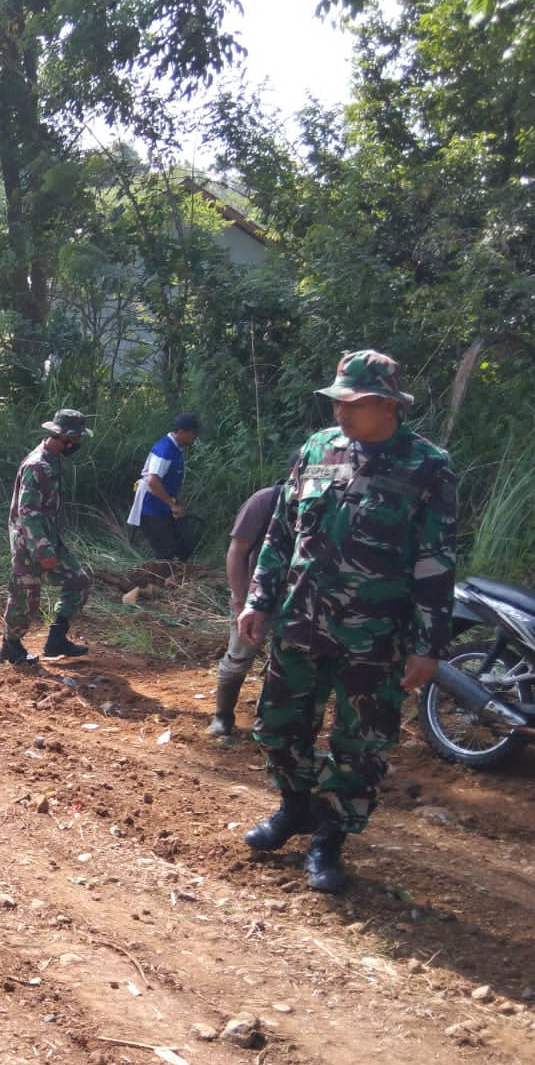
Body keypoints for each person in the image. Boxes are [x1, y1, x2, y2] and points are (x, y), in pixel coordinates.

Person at [237, 351, 456, 894]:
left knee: (359, 747)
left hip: (373, 638)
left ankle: (328, 841)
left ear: (387, 404)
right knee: (277, 728)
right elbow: (282, 532)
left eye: (352, 404)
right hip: (299, 623)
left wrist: (428, 645)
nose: (341, 412)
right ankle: (295, 808)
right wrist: (258, 600)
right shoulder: (319, 448)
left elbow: (436, 560)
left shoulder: (427, 466)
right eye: (337, 401)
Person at [207, 453, 298, 737]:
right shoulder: (265, 501)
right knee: (238, 657)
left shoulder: (327, 504)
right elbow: (237, 552)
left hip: (300, 600)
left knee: (292, 664)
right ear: (293, 470)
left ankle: (273, 724)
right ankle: (222, 716)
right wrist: (239, 600)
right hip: (258, 596)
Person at [0, 409, 93, 665]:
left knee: (78, 582)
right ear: (65, 438)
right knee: (25, 597)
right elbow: (27, 513)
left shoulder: (53, 459)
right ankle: (10, 647)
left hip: (49, 537)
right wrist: (43, 550)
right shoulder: (37, 465)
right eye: (77, 439)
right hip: (29, 541)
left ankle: (56, 640)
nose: (78, 445)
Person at [126, 412, 201, 561]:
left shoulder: (177, 449)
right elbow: (153, 482)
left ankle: (179, 579)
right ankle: (159, 581)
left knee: (186, 545)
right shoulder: (165, 450)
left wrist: (179, 503)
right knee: (166, 552)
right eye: (194, 432)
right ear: (181, 432)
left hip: (165, 505)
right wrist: (172, 505)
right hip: (151, 506)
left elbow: (172, 481)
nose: (196, 436)